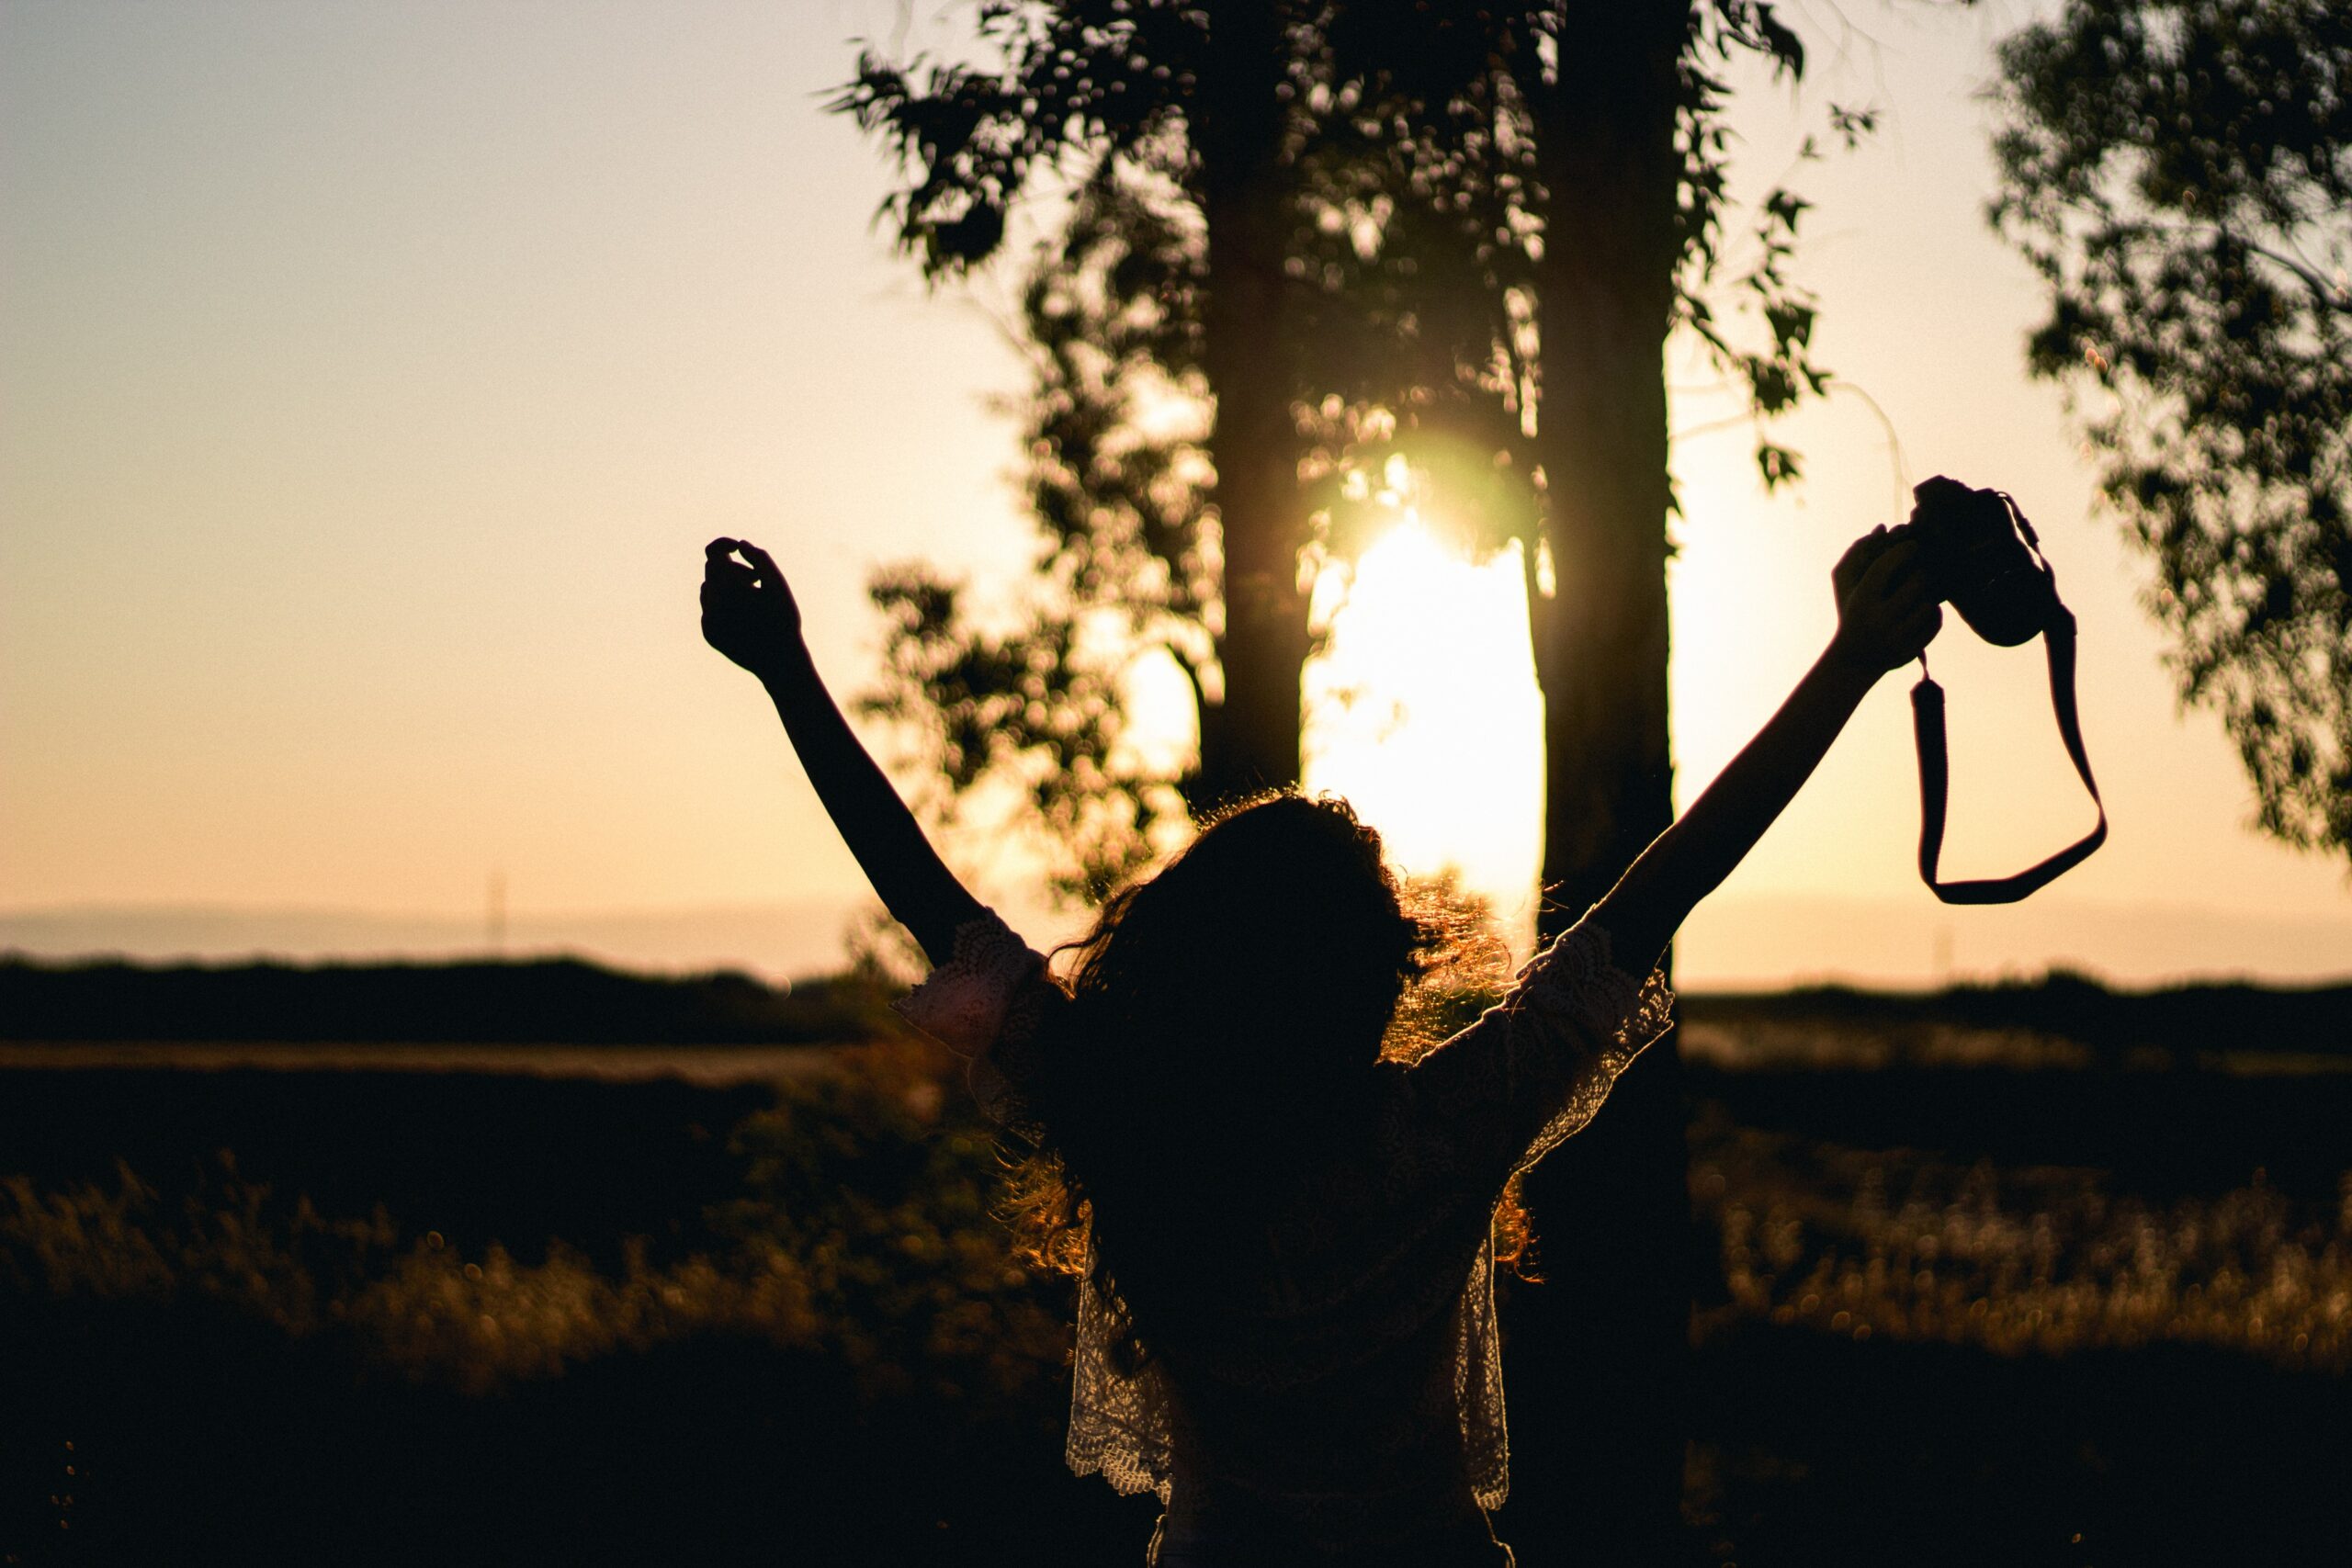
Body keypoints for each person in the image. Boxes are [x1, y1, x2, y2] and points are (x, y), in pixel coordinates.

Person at [699, 527, 1942, 1566]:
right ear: (1374, 978)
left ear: (1181, 965)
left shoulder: (1131, 1127)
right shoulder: (1446, 1129)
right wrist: (1851, 660)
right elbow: (1659, 894)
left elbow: (930, 901)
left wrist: (786, 671)